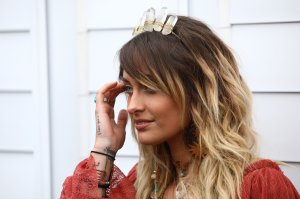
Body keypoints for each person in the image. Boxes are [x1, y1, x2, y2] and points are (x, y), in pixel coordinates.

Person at [60, 8, 300, 199]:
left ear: (198, 92)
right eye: (130, 89)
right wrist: (104, 147)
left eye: (151, 88)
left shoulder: (256, 186)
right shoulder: (140, 184)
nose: (132, 105)